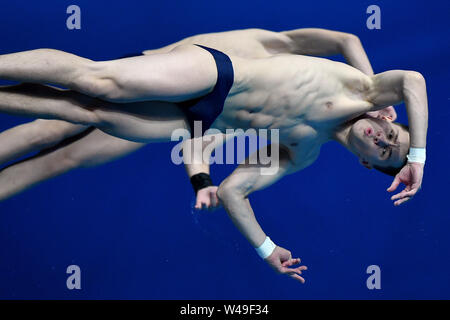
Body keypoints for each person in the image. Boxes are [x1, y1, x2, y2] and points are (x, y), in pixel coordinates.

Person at [0, 28, 428, 283]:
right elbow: (412, 79)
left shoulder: (302, 152)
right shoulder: (363, 88)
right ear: (389, 116)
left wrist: (266, 248)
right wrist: (416, 159)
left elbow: (234, 189)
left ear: (367, 163)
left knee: (79, 109)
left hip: (199, 123)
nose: (383, 138)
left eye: (386, 151)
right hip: (215, 75)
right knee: (98, 83)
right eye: (392, 133)